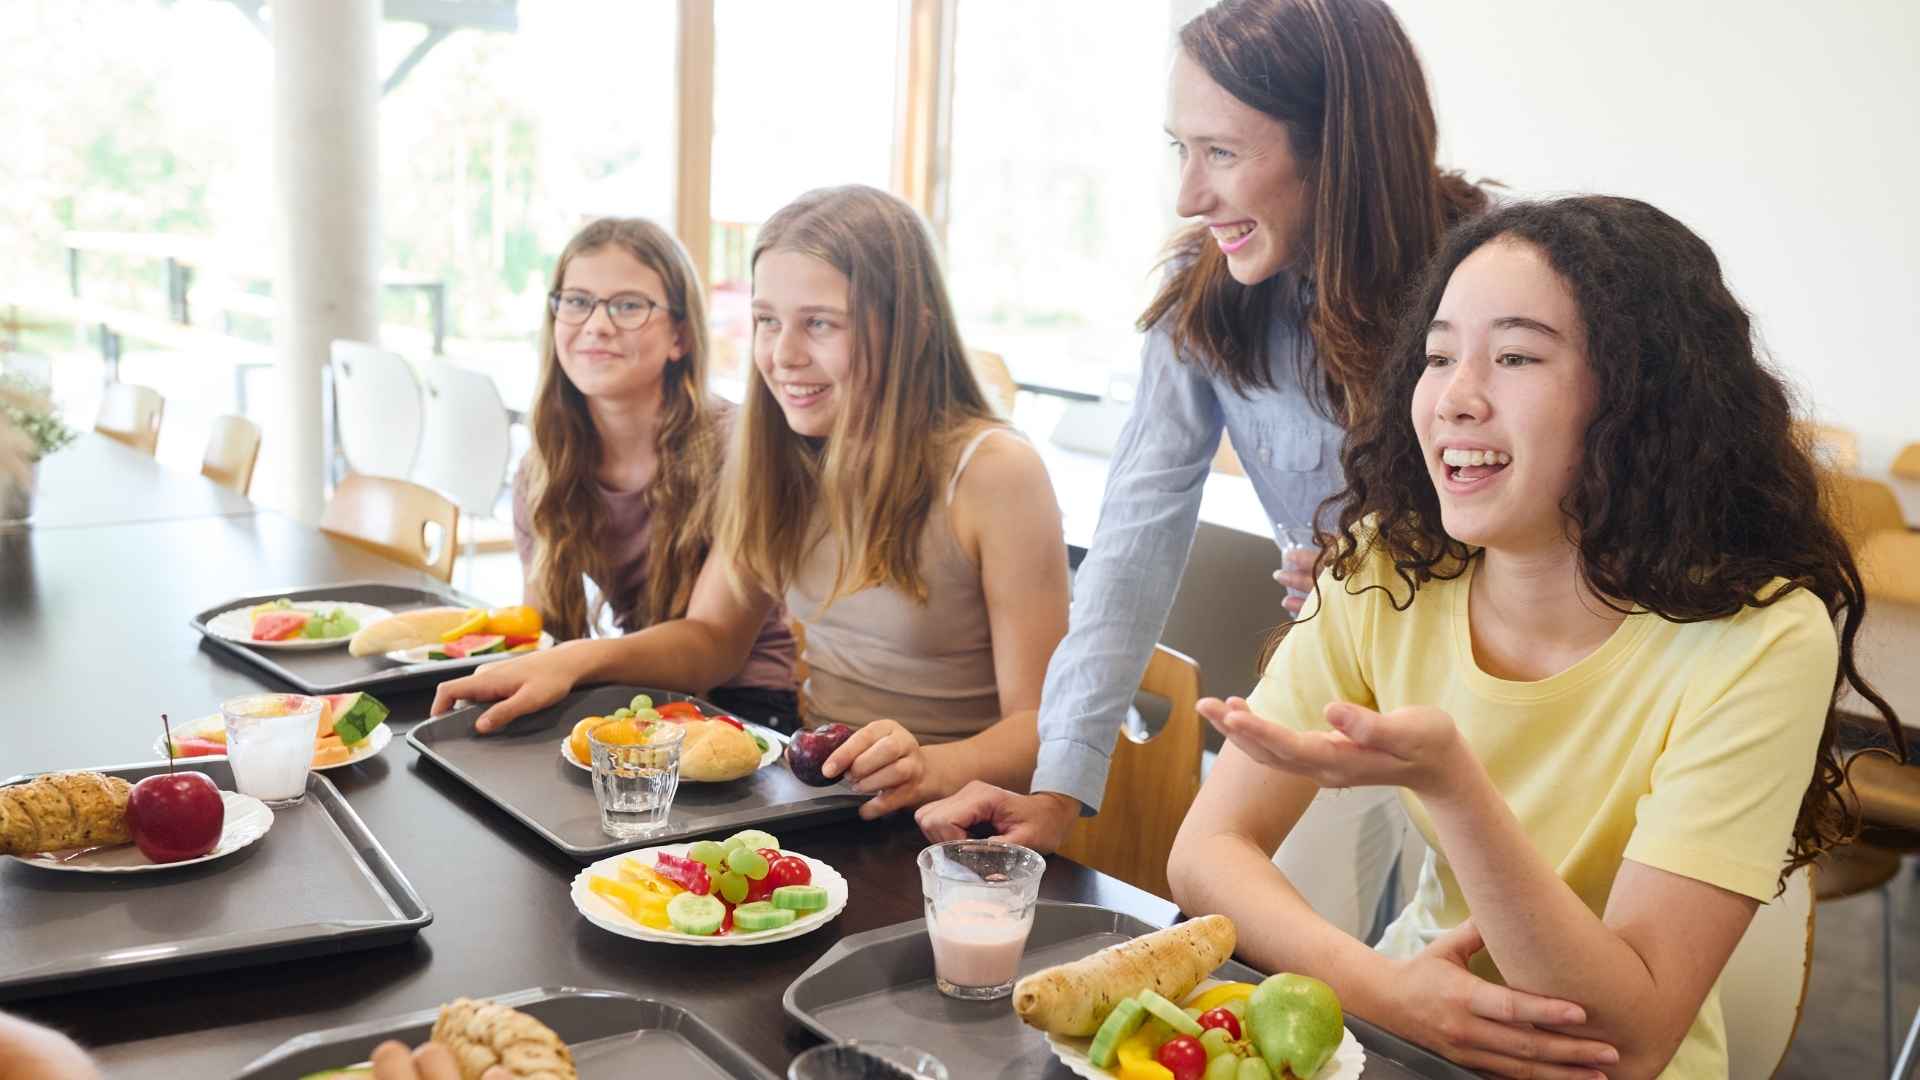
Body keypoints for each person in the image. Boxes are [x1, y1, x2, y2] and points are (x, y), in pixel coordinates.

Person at [1168, 196, 1906, 1078]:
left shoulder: (1759, 636)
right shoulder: (1389, 564)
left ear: (1641, 398)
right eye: (1438, 356)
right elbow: (1207, 854)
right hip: (1406, 1038)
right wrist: (1386, 990)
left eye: (1515, 356)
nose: (1456, 398)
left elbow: (1627, 1042)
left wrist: (1453, 786)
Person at [917, 0, 1488, 939]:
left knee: (1487, 970)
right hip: (1340, 670)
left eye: (1221, 153)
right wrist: (1060, 782)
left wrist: (1392, 563)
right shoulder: (1204, 300)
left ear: (1336, 148)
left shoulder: (1489, 281)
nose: (1188, 194)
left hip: (1502, 682)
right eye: (1179, 148)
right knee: (1273, 951)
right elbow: (1134, 544)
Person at [434, 186, 1071, 820]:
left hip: (956, 823)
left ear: (912, 327)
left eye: (819, 323)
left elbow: (1043, 725)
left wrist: (934, 766)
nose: (783, 355)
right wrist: (572, 661)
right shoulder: (778, 455)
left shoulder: (994, 472)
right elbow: (712, 638)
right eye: (768, 321)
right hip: (822, 798)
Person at [511, 217, 800, 730]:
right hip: (639, 701)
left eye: (628, 306)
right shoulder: (543, 467)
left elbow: (715, 645)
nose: (597, 325)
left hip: (750, 711)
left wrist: (574, 662)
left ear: (680, 337)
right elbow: (542, 634)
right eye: (577, 301)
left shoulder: (745, 450)